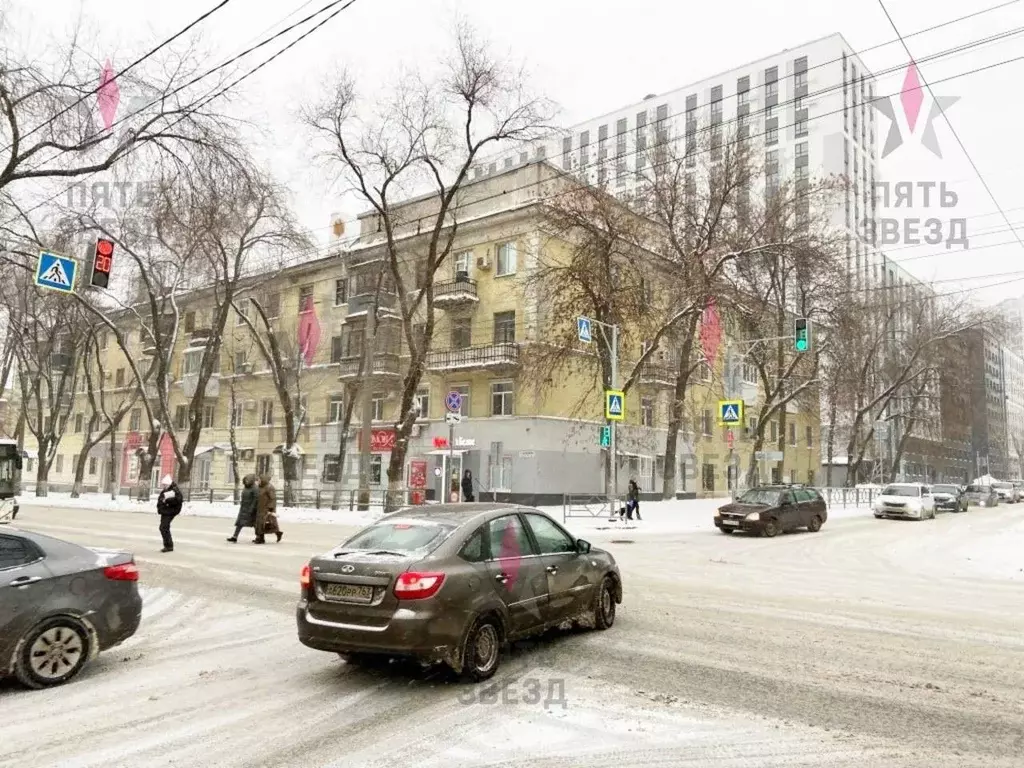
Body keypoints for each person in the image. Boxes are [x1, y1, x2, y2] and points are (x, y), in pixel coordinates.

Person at [227, 475, 258, 542]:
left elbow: (256, 499)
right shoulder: (246, 487)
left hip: (251, 509)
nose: (246, 481)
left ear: (251, 480)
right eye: (245, 480)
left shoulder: (255, 488)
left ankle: (259, 537)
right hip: (244, 508)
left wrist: (252, 508)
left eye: (247, 480)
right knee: (239, 523)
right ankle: (234, 537)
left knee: (254, 524)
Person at [156, 475, 183, 552]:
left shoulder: (175, 491)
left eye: (164, 485)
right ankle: (168, 545)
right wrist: (161, 506)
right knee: (164, 528)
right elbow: (161, 499)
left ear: (168, 484)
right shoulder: (165, 490)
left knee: (163, 528)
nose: (163, 486)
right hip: (165, 511)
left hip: (170, 511)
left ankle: (168, 546)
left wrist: (167, 501)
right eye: (163, 485)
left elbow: (178, 500)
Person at [254, 474, 282, 544]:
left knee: (268, 523)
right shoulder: (260, 487)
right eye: (258, 480)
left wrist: (271, 508)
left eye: (259, 480)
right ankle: (260, 538)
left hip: (267, 508)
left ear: (263, 480)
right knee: (259, 524)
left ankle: (277, 533)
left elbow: (273, 498)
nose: (258, 481)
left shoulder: (270, 487)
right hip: (260, 508)